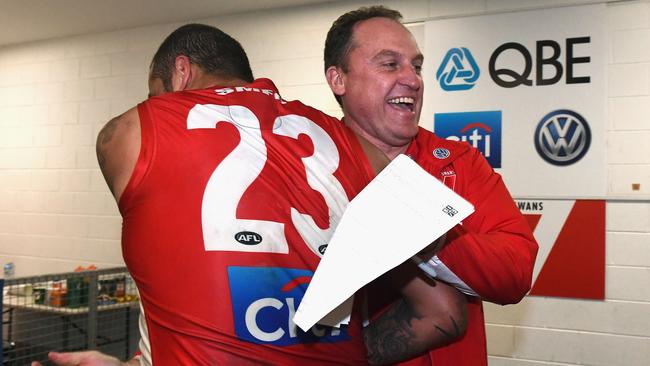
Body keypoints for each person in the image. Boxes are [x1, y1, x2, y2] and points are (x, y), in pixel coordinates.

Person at [34, 23, 467, 366]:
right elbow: (443, 314)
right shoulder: (350, 143)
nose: (155, 104)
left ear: (180, 72)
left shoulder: (130, 131)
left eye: (155, 93)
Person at [324, 6, 539, 366]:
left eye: (417, 66)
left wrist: (429, 233)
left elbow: (514, 275)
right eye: (390, 64)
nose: (413, 79)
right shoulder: (309, 164)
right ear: (338, 79)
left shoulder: (459, 162)